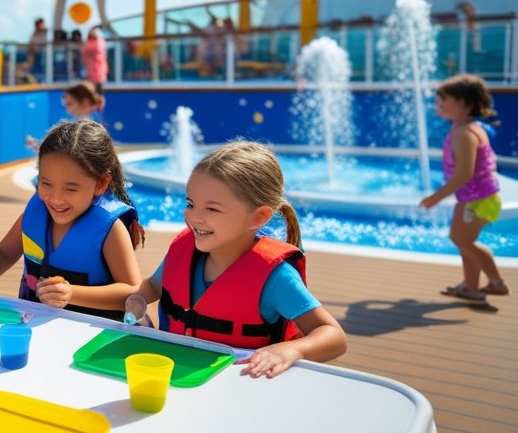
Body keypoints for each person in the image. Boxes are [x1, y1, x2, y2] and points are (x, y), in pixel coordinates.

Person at [115, 141, 346, 378]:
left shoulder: (276, 279)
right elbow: (154, 285)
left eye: (212, 209)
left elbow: (334, 337)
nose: (194, 217)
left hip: (240, 386)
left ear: (257, 218)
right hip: (176, 376)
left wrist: (291, 349)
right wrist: (137, 299)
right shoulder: (184, 251)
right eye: (190, 204)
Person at [0, 119, 143, 320]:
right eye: (46, 183)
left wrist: (72, 294)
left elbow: (134, 292)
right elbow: (2, 255)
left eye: (71, 188)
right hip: (37, 327)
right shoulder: (35, 215)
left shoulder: (109, 229)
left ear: (101, 184)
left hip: (91, 338)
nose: (55, 199)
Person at [422, 74, 508, 303]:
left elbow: (464, 174)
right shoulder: (464, 128)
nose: (438, 103)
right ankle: (471, 287)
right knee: (464, 241)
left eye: (445, 99)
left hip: (477, 199)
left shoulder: (465, 134)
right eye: (439, 99)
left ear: (466, 103)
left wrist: (435, 198)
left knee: (463, 240)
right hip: (477, 197)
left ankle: (497, 282)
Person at [81, 25, 108, 92]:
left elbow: (83, 52)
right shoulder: (100, 43)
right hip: (94, 72)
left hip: (95, 72)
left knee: (95, 90)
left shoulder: (88, 44)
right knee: (95, 90)